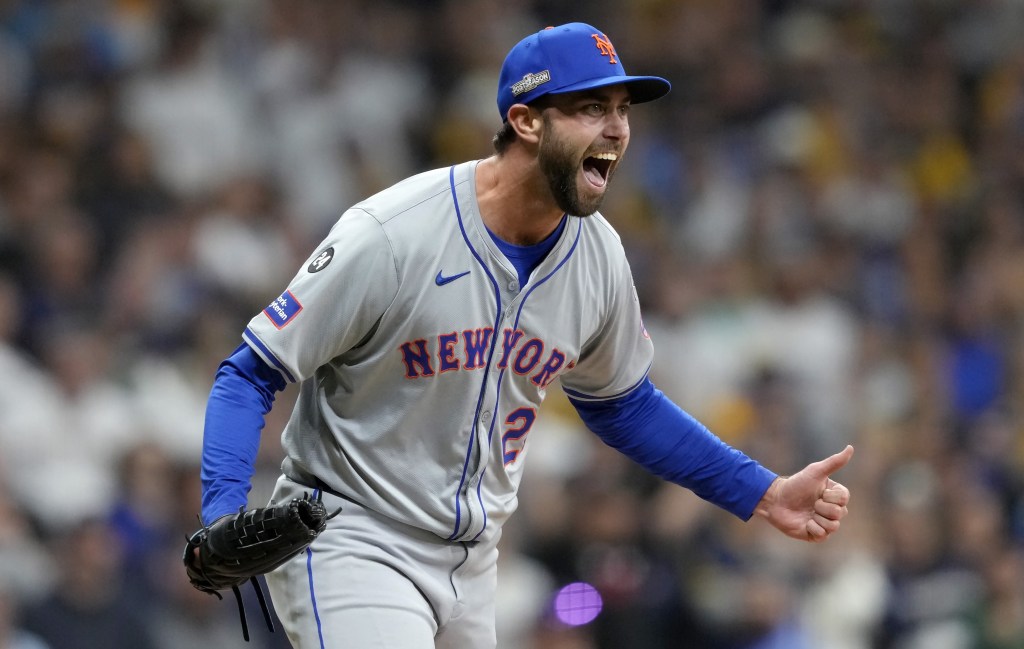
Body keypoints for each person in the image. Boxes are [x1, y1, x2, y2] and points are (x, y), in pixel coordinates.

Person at [196, 22, 854, 649]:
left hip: (474, 559)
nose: (617, 129)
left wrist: (761, 491)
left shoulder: (597, 255)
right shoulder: (394, 234)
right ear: (525, 120)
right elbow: (251, 369)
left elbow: (622, 402)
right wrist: (223, 511)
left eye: (624, 109)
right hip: (353, 535)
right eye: (592, 108)